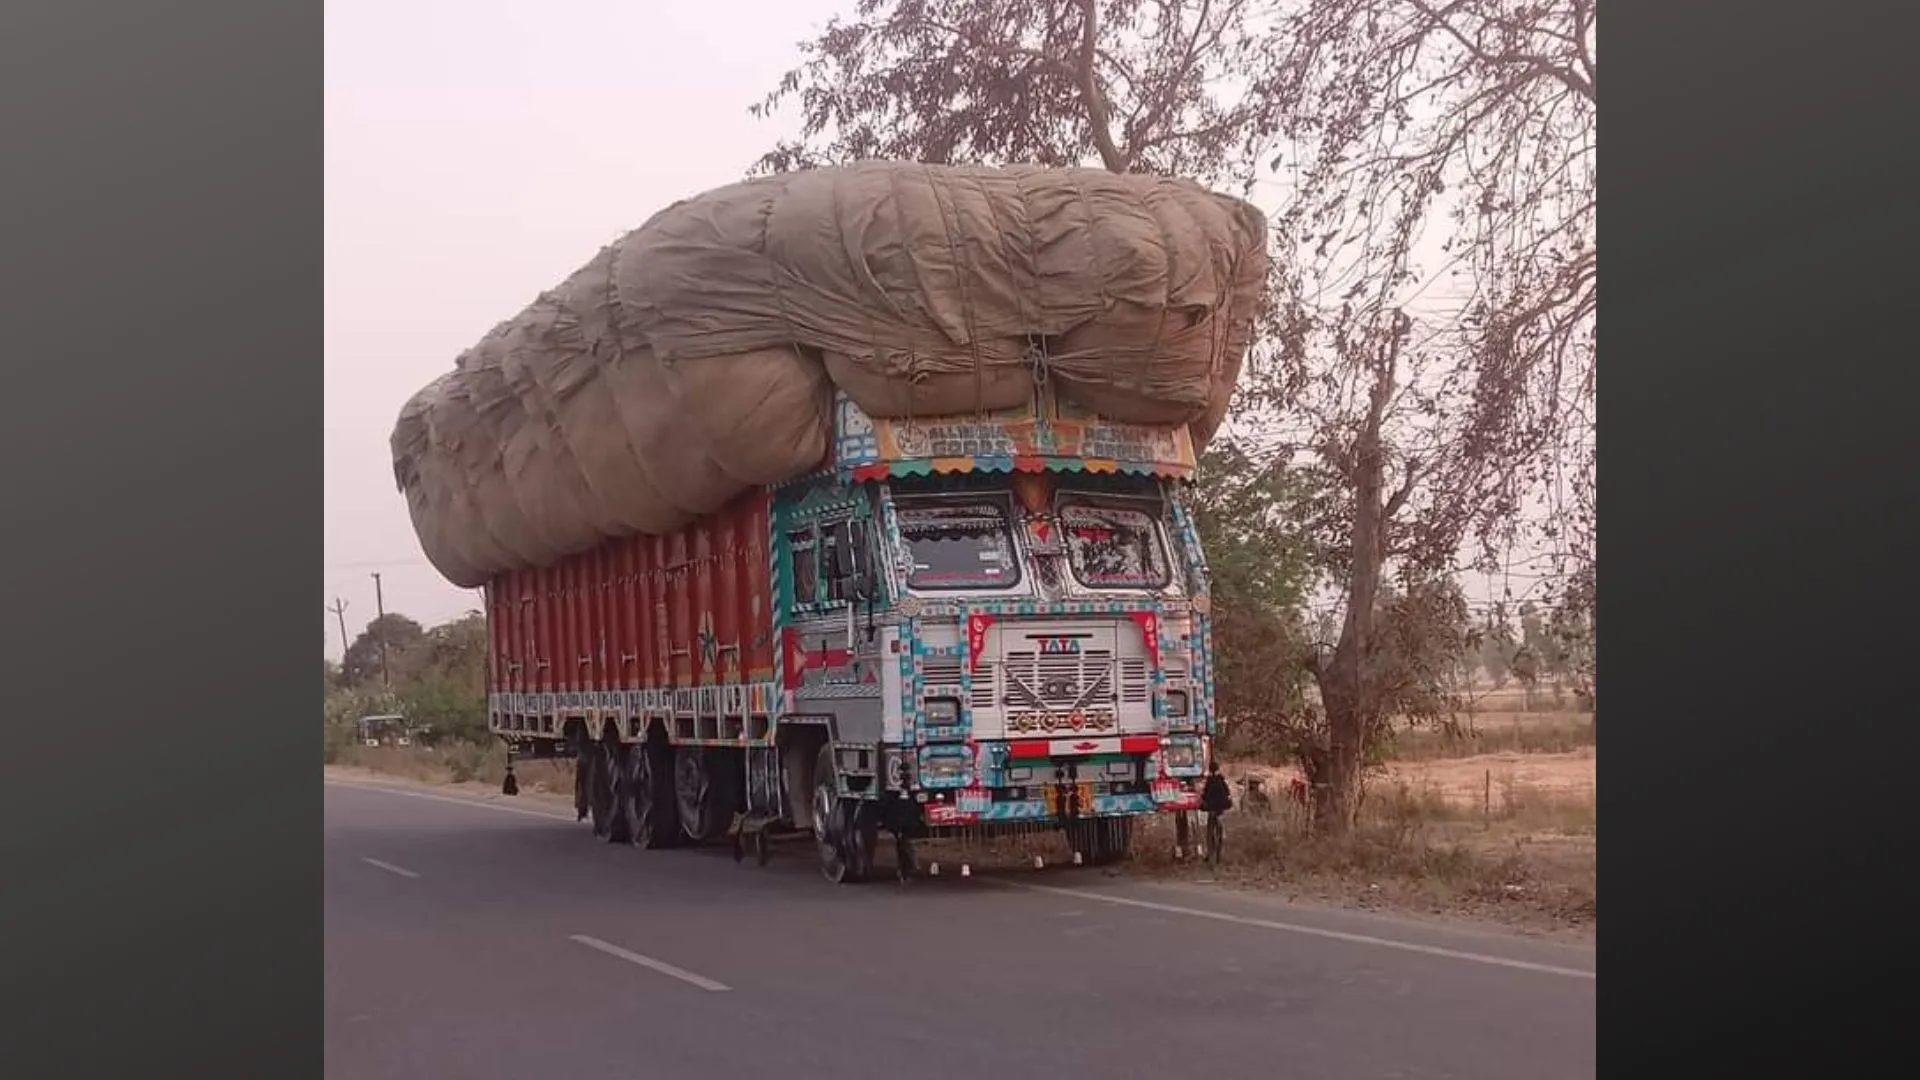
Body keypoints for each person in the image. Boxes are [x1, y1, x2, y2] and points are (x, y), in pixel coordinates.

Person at [1199, 761, 1233, 862]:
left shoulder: (1209, 781)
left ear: (1209, 770)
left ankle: (1210, 855)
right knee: (1219, 833)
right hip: (1220, 811)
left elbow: (1205, 796)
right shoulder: (1221, 780)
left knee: (1210, 834)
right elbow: (1227, 793)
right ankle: (1219, 855)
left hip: (1212, 810)